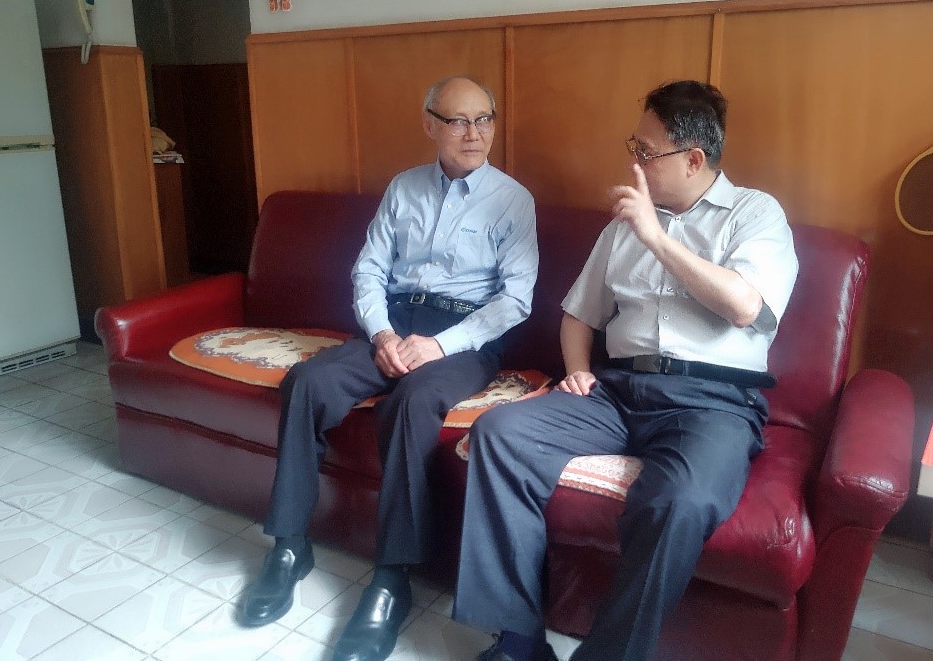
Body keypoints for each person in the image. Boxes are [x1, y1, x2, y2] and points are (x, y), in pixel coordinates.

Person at [451, 80, 799, 661]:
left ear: (694, 159)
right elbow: (577, 314)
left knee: (681, 499)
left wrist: (656, 238)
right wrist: (577, 370)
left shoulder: (754, 213)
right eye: (633, 147)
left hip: (713, 401)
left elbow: (744, 306)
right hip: (617, 391)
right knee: (499, 434)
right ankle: (518, 640)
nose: (634, 162)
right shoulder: (622, 227)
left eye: (647, 152)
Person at [239, 76, 539, 661]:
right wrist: (381, 334)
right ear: (429, 124)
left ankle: (391, 577)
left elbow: (515, 300)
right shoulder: (404, 188)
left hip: (465, 338)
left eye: (484, 119)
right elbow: (370, 270)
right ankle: (290, 545)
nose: (474, 133)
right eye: (458, 120)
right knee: (308, 382)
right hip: (393, 324)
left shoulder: (512, 200)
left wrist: (440, 346)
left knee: (411, 402)